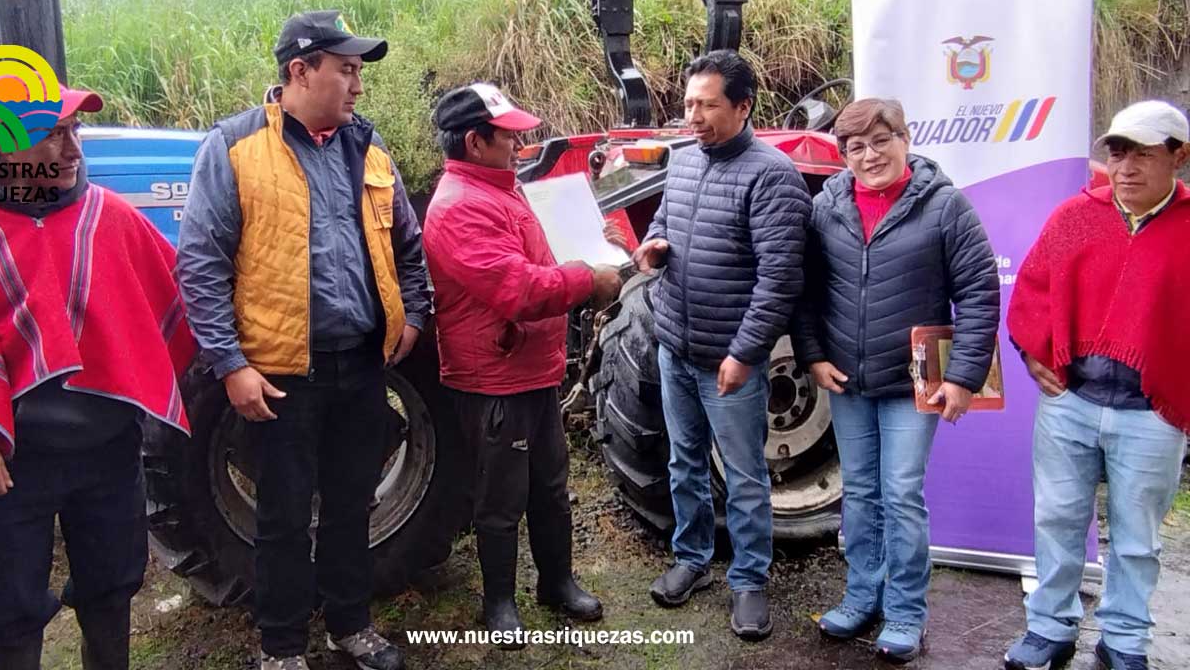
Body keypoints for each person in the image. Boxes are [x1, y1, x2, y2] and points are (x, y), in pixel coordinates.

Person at [0, 86, 196, 670]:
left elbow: (181, 306)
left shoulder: (108, 215)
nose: (73, 150)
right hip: (7, 460)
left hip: (110, 451)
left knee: (113, 586)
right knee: (8, 610)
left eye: (75, 132)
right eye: (53, 134)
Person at [177, 11, 430, 670]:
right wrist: (231, 365)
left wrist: (414, 316)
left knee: (352, 505)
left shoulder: (368, 148)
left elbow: (407, 244)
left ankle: (352, 626)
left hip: (362, 366)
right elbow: (200, 265)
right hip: (282, 375)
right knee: (283, 517)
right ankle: (282, 648)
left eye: (359, 72)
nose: (358, 86)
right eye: (346, 70)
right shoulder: (234, 148)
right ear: (300, 71)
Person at [790, 98, 1001, 662]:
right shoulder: (827, 206)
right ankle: (863, 594)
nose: (870, 155)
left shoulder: (945, 206)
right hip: (848, 380)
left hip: (914, 382)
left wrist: (963, 375)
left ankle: (906, 609)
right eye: (856, 147)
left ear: (905, 140)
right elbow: (805, 290)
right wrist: (812, 355)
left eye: (881, 141)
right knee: (860, 492)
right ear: (843, 155)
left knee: (902, 494)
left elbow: (978, 293)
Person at [422, 82, 622, 646]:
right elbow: (517, 288)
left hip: (532, 368)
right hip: (494, 378)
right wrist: (588, 278)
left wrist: (599, 245)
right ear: (474, 141)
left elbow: (540, 258)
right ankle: (499, 603)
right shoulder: (459, 207)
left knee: (551, 487)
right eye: (508, 136)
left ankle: (557, 583)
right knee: (500, 498)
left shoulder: (501, 191)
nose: (519, 144)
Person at [1002, 100, 1190, 670]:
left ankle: (1125, 640)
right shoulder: (1076, 216)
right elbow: (1033, 287)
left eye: (1143, 154)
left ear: (1179, 157)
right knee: (1057, 520)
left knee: (1137, 537)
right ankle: (1050, 627)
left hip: (1152, 412)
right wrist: (1033, 351)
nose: (1125, 167)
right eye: (1118, 153)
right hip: (1071, 401)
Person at [631, 49, 811, 640]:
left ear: (743, 106)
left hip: (728, 360)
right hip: (675, 346)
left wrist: (744, 353)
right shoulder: (684, 161)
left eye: (707, 106)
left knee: (744, 474)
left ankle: (750, 579)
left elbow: (779, 280)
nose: (694, 117)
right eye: (689, 104)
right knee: (684, 461)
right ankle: (692, 559)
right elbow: (664, 221)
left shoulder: (772, 176)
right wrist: (654, 245)